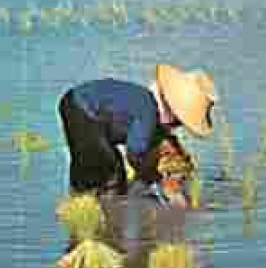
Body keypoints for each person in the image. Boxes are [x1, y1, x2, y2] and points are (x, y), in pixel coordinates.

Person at [58, 65, 218, 202]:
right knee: (107, 171)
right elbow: (135, 151)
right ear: (172, 112)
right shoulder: (148, 111)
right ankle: (88, 206)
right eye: (179, 122)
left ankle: (91, 205)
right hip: (83, 110)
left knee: (111, 172)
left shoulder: (146, 102)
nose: (176, 127)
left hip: (79, 106)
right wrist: (153, 176)